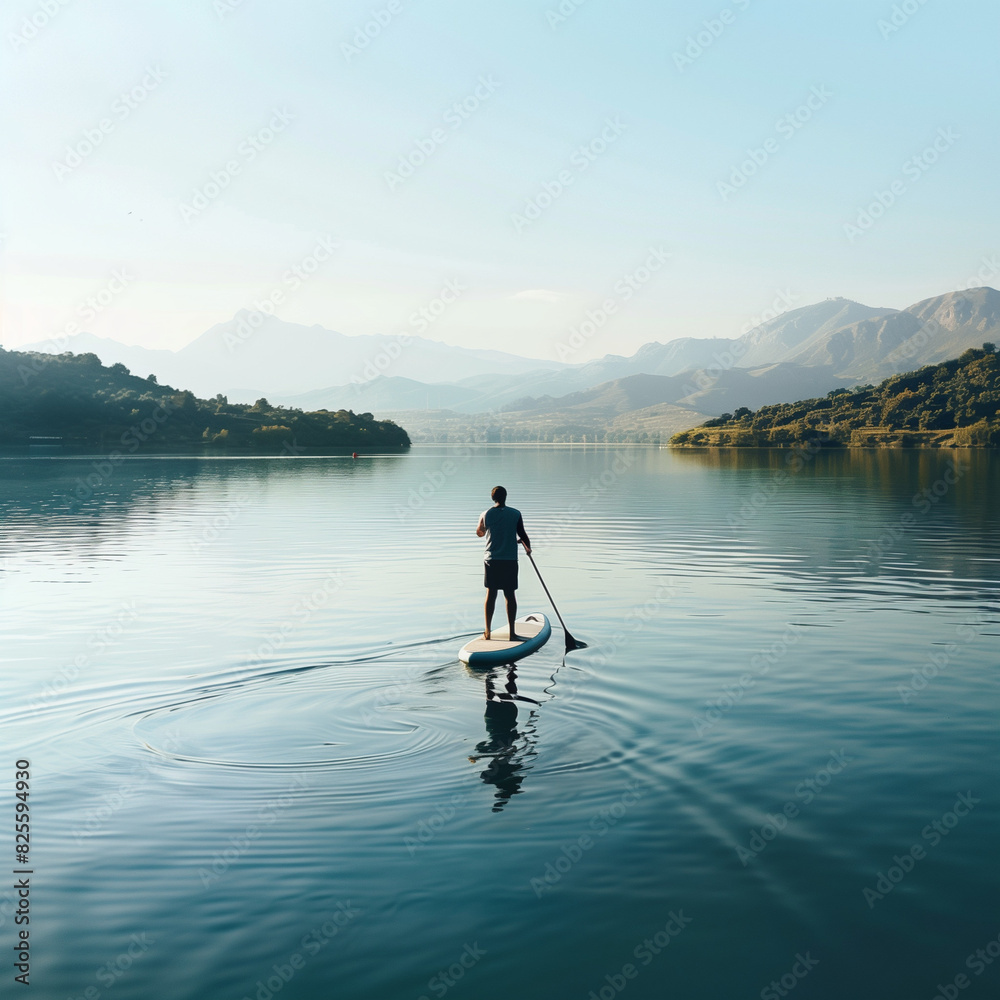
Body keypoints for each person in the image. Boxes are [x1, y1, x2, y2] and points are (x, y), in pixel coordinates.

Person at [476, 485, 531, 641]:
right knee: (509, 594)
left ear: (493, 498)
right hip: (509, 560)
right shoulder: (515, 514)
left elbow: (480, 533)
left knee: (491, 594)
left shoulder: (485, 514)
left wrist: (482, 527)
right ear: (506, 497)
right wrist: (528, 548)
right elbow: (523, 534)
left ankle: (487, 632)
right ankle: (512, 633)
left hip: (491, 560)